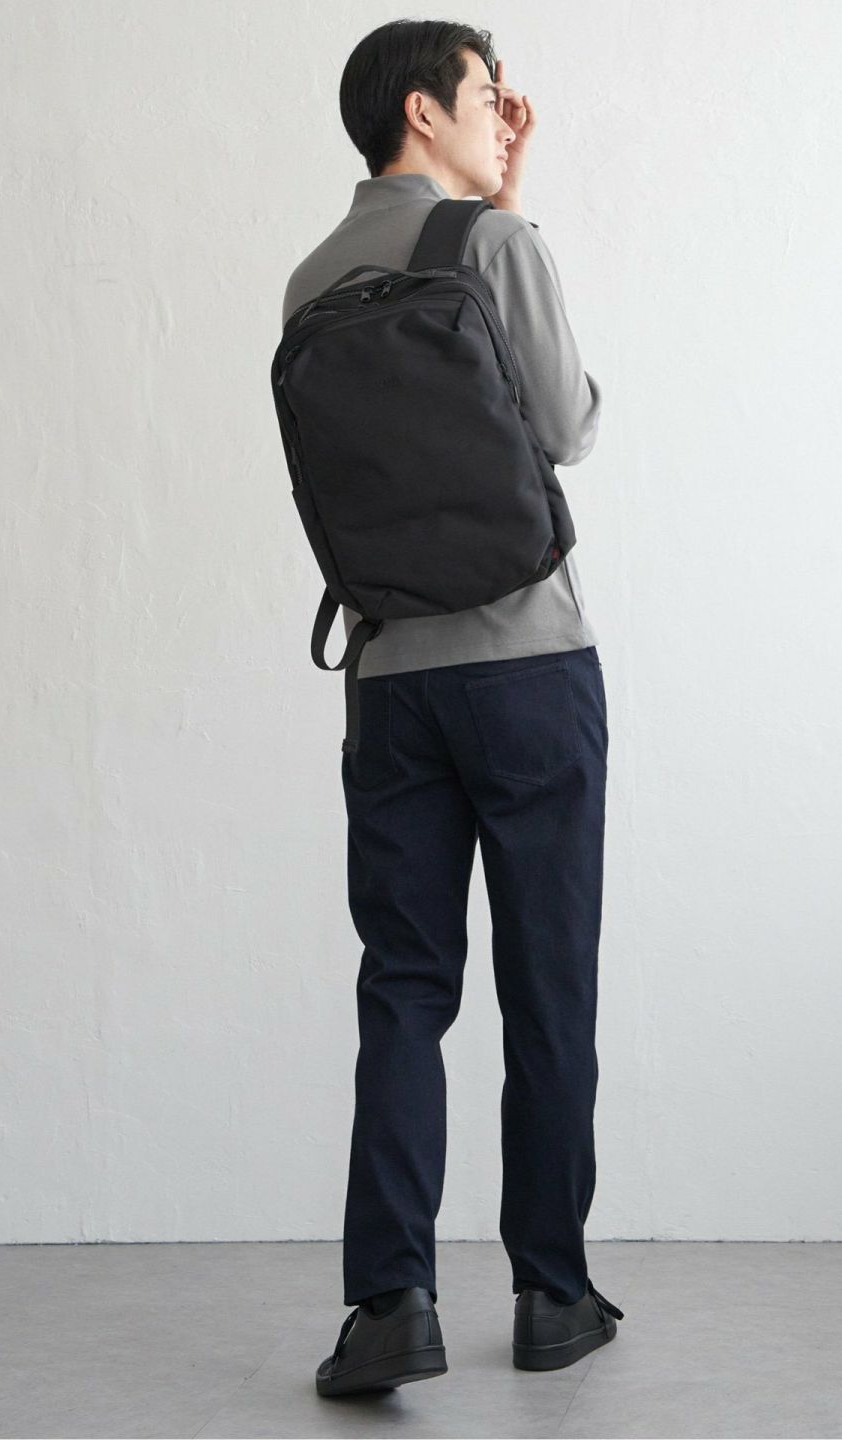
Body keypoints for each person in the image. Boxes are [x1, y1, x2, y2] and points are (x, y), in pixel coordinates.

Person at [281, 19, 624, 1398]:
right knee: (548, 984)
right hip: (530, 667)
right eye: (488, 92)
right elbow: (568, 423)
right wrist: (512, 222)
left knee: (404, 991)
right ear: (422, 111)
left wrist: (501, 207)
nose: (505, 113)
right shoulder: (495, 241)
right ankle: (552, 1293)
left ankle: (390, 1306)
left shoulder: (308, 281)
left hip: (390, 684)